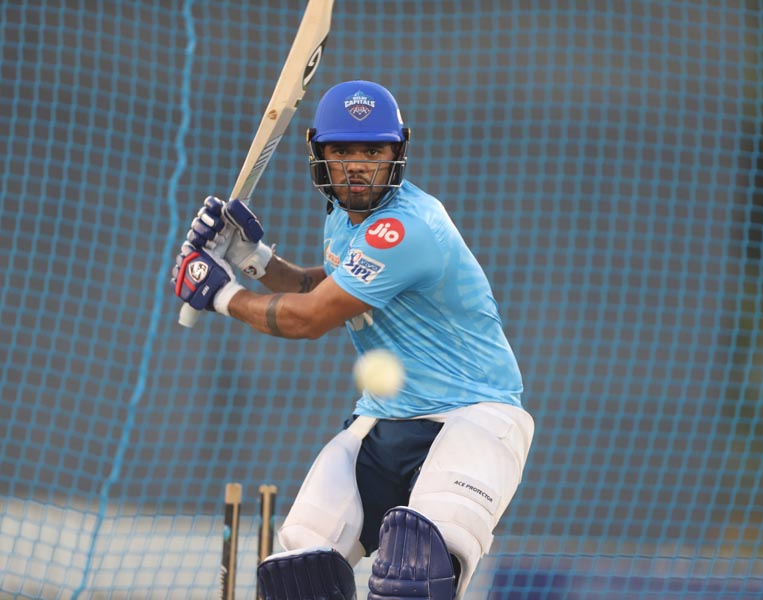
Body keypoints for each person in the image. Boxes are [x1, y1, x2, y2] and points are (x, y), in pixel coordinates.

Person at [172, 80, 534, 600]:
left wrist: (222, 293)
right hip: (382, 424)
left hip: (472, 418)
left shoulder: (406, 228)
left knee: (417, 572)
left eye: (373, 150)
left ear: (397, 153)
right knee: (299, 576)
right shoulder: (346, 222)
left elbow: (311, 318)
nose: (357, 165)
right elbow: (326, 285)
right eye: (342, 151)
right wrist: (253, 259)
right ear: (319, 153)